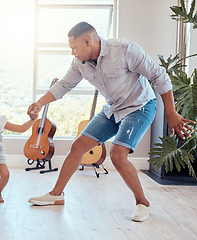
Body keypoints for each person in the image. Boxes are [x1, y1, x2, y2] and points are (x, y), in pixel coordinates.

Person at [27, 22, 195, 222]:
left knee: (118, 155)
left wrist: (171, 112)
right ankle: (56, 195)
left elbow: (160, 75)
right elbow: (64, 85)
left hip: (140, 106)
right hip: (113, 108)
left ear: (87, 41)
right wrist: (39, 103)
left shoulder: (125, 50)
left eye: (74, 48)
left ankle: (143, 203)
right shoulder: (79, 63)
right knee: (78, 146)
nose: (73, 53)